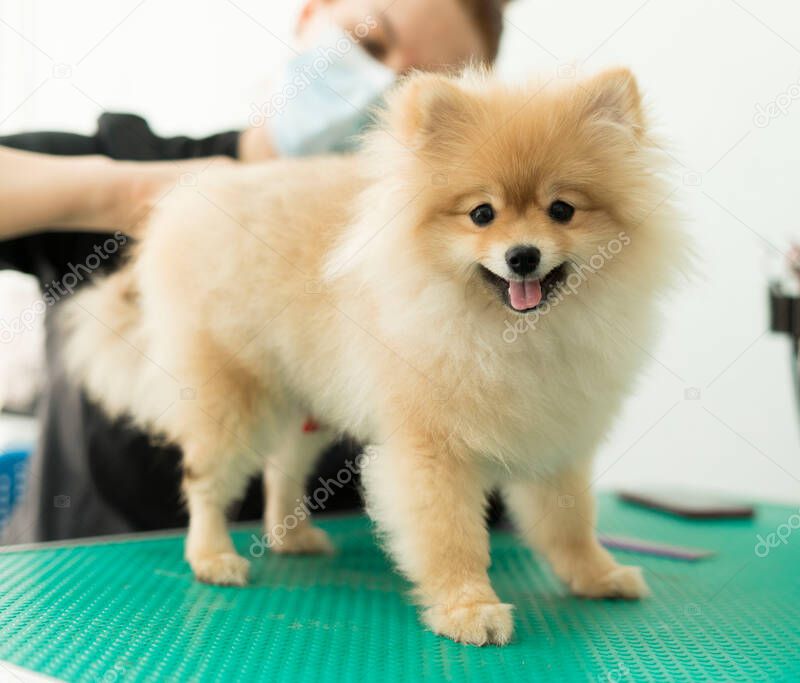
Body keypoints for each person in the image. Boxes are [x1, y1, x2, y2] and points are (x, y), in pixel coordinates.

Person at [0, 0, 507, 544]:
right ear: (312, 15)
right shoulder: (128, 156)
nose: (380, 90)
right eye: (369, 44)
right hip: (89, 584)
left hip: (345, 595)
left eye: (418, 85)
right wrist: (133, 193)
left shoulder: (440, 262)